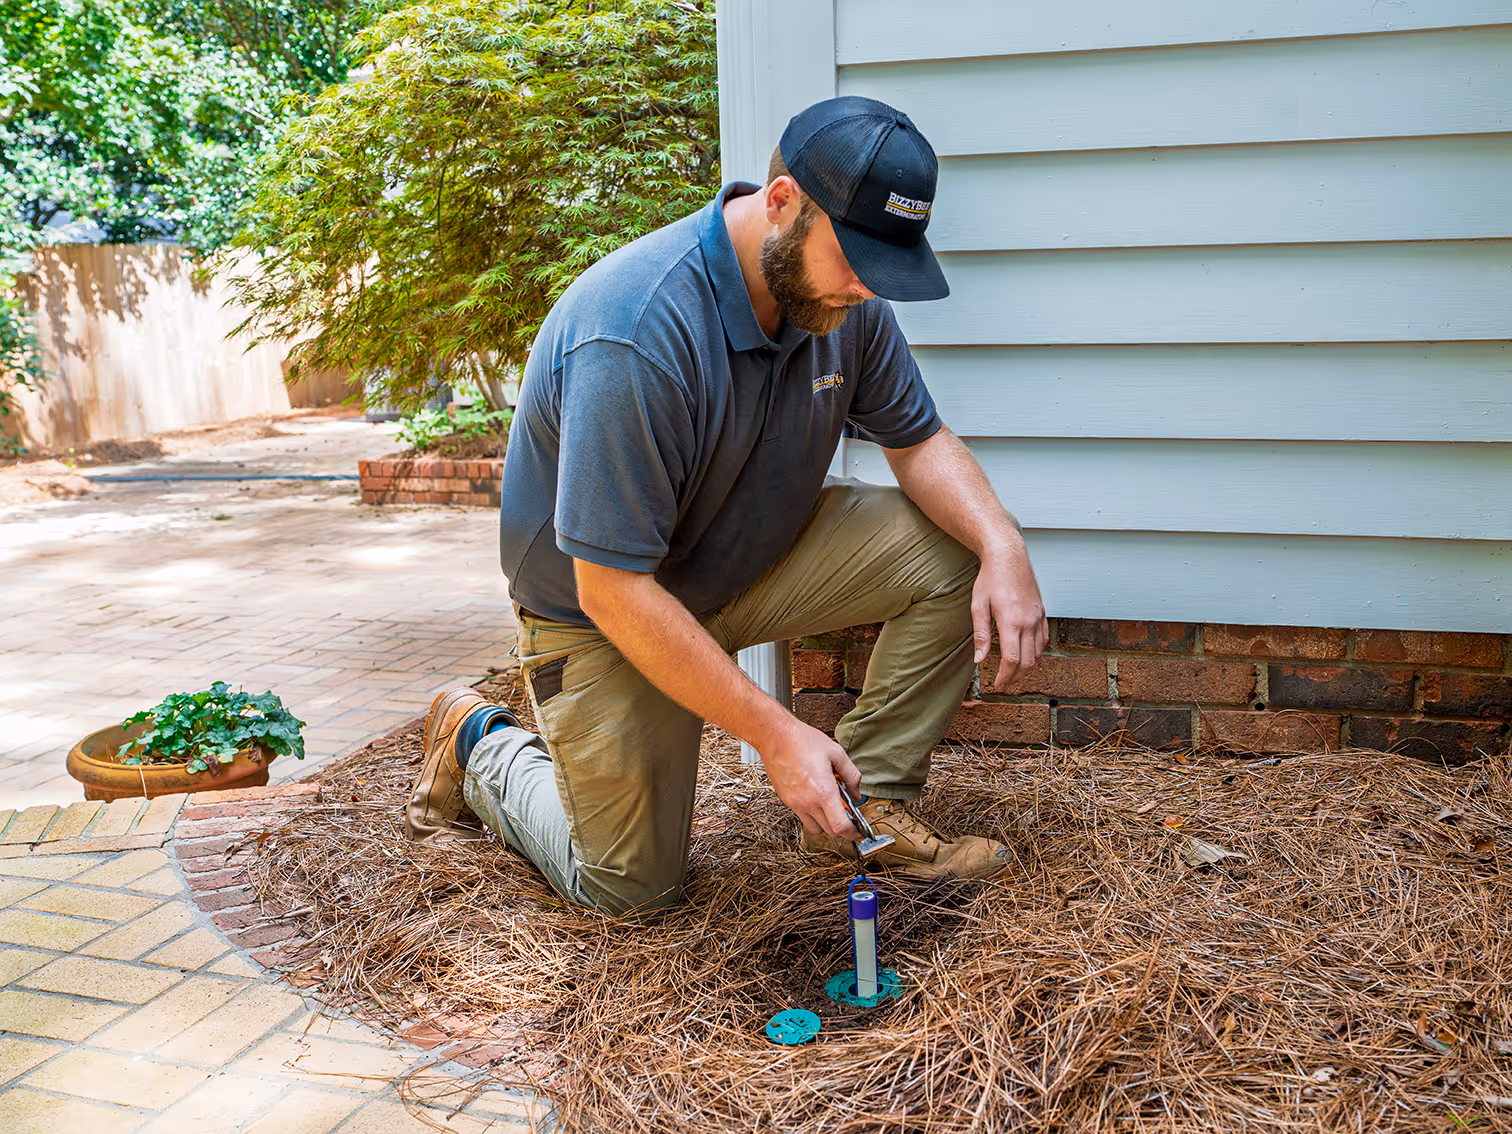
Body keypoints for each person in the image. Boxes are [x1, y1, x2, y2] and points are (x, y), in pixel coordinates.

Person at [405, 96, 1048, 916]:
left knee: (958, 551)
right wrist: (777, 734)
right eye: (853, 258)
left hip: (744, 560)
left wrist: (1004, 545)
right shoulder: (635, 333)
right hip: (606, 611)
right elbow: (611, 588)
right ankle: (480, 742)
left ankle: (864, 816)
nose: (864, 287)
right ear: (780, 202)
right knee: (630, 893)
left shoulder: (843, 303)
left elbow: (917, 440)